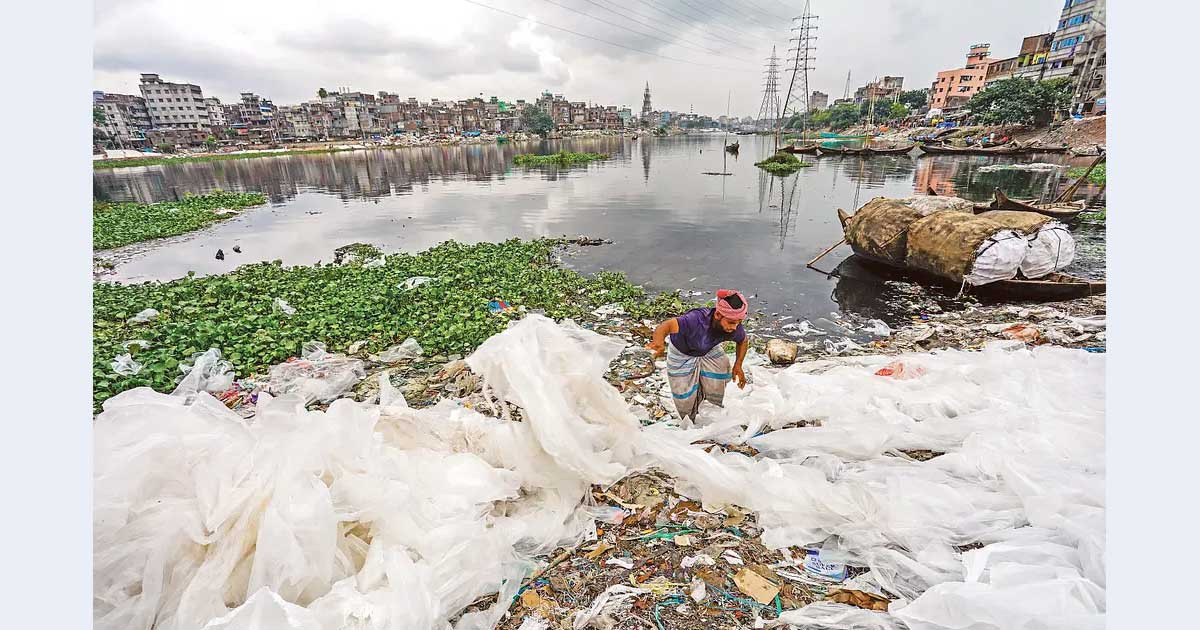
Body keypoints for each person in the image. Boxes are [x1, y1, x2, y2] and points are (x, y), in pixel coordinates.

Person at [645, 289, 749, 422]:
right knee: (684, 395)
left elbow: (743, 341)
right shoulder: (695, 320)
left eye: (738, 322)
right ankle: (690, 421)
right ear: (717, 315)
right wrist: (658, 342)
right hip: (682, 353)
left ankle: (711, 412)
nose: (735, 327)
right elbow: (667, 325)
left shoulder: (733, 326)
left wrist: (738, 365)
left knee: (718, 378)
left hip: (708, 350)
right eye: (731, 323)